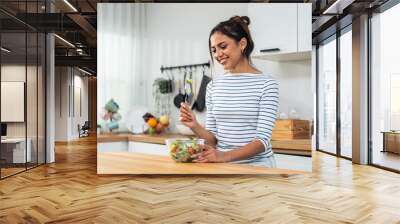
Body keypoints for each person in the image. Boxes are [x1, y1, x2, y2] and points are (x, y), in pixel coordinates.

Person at [179, 15, 279, 167]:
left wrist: (224, 156)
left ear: (242, 44)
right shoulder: (213, 86)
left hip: (258, 166)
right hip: (223, 166)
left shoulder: (266, 84)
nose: (218, 54)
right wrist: (194, 125)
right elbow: (213, 140)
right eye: (214, 50)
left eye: (223, 46)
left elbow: (262, 141)